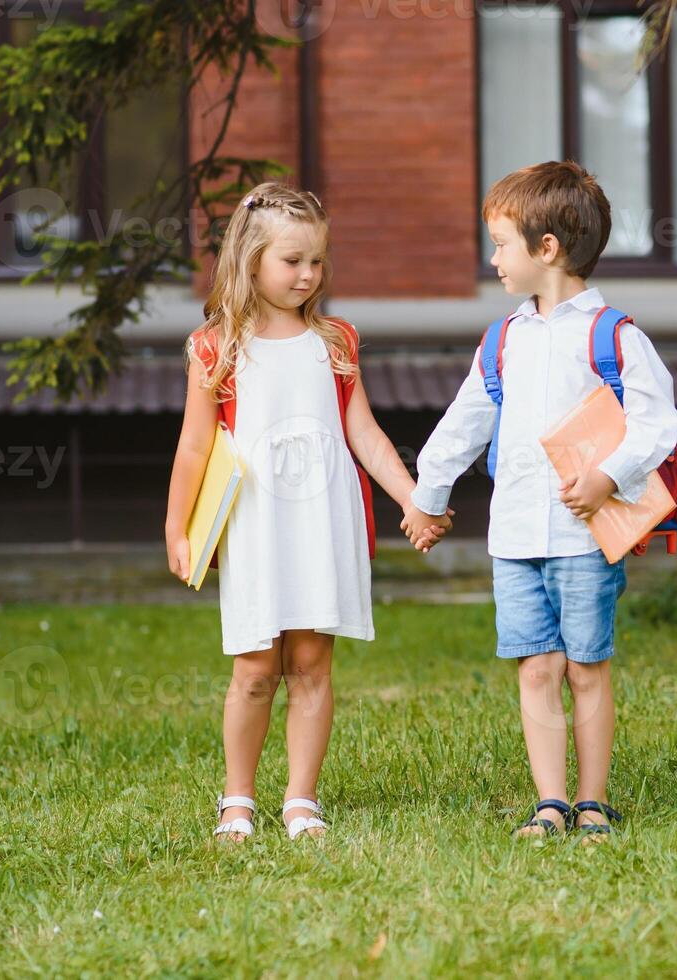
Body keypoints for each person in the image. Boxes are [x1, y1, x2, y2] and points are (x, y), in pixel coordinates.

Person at [401, 161, 677, 841]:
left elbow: (658, 421)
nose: (492, 257)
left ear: (546, 249)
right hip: (516, 539)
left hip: (584, 538)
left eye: (500, 244)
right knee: (536, 666)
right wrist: (426, 498)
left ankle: (592, 802)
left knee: (586, 667)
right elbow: (465, 421)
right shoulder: (504, 340)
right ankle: (550, 803)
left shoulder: (614, 337)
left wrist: (610, 475)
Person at [164, 182, 447, 842]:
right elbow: (194, 445)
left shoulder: (335, 340)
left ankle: (300, 798)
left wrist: (414, 497)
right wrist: (177, 527)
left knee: (314, 664)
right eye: (292, 260)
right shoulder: (216, 348)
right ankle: (237, 798)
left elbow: (366, 435)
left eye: (317, 260)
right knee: (256, 665)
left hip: (323, 517)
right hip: (258, 522)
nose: (308, 274)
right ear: (250, 259)